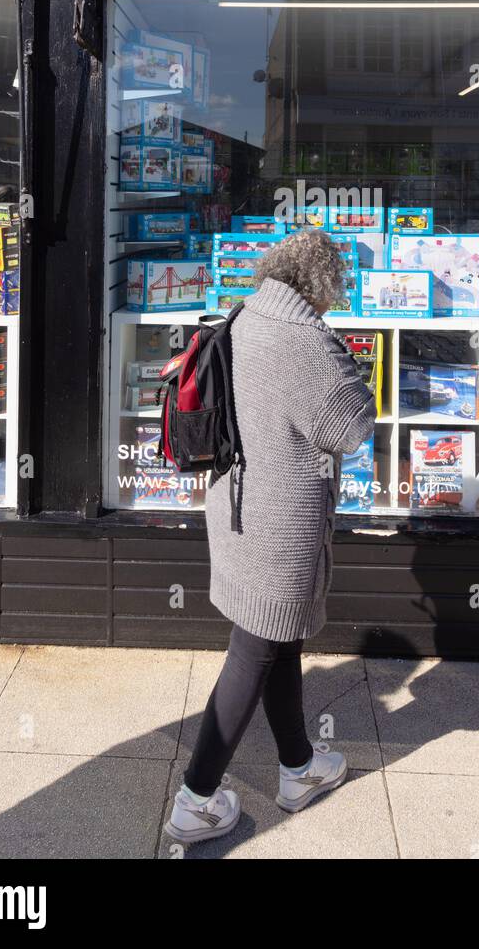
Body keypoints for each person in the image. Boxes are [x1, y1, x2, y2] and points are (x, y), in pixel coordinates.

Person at [165, 228, 376, 844]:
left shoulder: (248, 313)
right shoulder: (306, 340)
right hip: (278, 525)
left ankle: (298, 769)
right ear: (325, 285)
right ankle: (194, 801)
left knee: (277, 640)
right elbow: (352, 425)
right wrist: (346, 360)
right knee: (254, 649)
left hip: (235, 509)